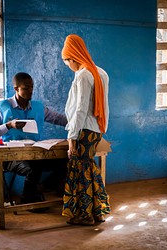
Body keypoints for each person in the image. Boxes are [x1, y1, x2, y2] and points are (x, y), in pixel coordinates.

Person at [0, 72, 67, 209]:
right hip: (10, 156)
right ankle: (29, 199)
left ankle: (39, 189)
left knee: (66, 161)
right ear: (16, 89)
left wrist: (78, 124)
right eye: (26, 88)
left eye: (32, 87)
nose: (30, 91)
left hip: (34, 154)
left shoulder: (38, 107)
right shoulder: (2, 107)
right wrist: (9, 125)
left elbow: (57, 118)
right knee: (33, 169)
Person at [61, 34, 110, 225]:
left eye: (67, 62)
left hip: (82, 130)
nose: (68, 66)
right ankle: (97, 211)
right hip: (95, 130)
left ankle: (84, 214)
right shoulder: (101, 73)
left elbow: (80, 109)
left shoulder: (82, 75)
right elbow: (105, 105)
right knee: (88, 168)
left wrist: (72, 137)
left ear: (72, 57)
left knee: (80, 172)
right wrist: (101, 128)